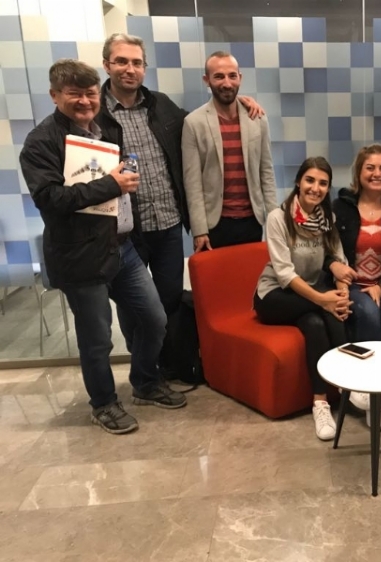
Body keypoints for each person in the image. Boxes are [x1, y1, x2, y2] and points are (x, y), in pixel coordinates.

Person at [20, 59, 186, 434]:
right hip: (79, 257)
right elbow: (49, 198)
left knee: (154, 319)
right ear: (55, 95)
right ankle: (104, 404)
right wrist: (112, 184)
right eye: (74, 94)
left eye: (90, 93)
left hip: (120, 247)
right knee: (97, 340)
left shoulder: (103, 131)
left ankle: (145, 383)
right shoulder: (41, 142)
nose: (84, 101)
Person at [96, 33, 263, 379]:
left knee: (170, 299)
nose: (130, 69)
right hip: (125, 230)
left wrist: (240, 102)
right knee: (134, 304)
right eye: (121, 61)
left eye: (136, 62)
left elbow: (207, 117)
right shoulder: (94, 114)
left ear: (144, 67)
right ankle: (145, 373)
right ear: (107, 65)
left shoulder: (160, 106)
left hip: (168, 223)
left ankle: (171, 366)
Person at [254, 157, 355, 441]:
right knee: (324, 309)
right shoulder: (278, 218)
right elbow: (284, 274)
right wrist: (324, 300)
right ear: (299, 182)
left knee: (315, 323)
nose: (315, 188)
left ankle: (320, 402)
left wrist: (342, 292)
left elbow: (338, 259)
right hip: (274, 295)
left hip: (308, 294)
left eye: (323, 183)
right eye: (310, 180)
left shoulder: (327, 219)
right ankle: (350, 382)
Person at [330, 144, 381, 430]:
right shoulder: (340, 207)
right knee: (367, 313)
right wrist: (338, 273)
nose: (376, 173)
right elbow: (328, 249)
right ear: (359, 172)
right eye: (370, 168)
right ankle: (370, 392)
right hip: (353, 284)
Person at [182, 51, 278, 250]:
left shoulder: (257, 118)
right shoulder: (193, 123)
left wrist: (274, 220)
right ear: (207, 80)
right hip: (214, 225)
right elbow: (193, 183)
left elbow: (266, 172)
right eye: (219, 76)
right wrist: (199, 230)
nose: (227, 83)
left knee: (252, 271)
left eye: (232, 76)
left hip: (252, 221)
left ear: (239, 78)